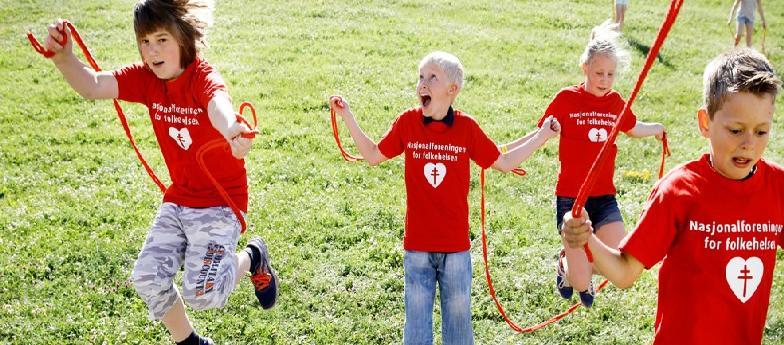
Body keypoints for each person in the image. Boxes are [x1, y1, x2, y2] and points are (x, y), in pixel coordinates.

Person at [39, 1, 278, 344]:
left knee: (204, 294)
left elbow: (218, 106)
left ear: (183, 37)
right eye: (145, 42)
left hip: (221, 202)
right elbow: (93, 85)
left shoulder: (202, 77)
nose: (152, 51)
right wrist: (63, 58)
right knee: (147, 277)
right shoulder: (146, 79)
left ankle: (253, 255)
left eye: (161, 39)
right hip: (180, 200)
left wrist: (232, 130)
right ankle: (190, 342)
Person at [329, 51, 560, 345]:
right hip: (417, 249)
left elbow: (503, 161)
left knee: (459, 329)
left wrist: (542, 135)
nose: (422, 84)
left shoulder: (467, 129)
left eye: (432, 77)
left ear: (453, 90)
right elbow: (373, 155)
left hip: (456, 250)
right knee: (416, 330)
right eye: (420, 77)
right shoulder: (407, 123)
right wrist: (347, 115)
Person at [562, 48, 782, 344]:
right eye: (735, 130)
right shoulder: (679, 191)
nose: (748, 144)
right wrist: (586, 237)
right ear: (706, 122)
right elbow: (625, 272)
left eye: (761, 132)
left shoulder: (777, 187)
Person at [528, 20, 664, 308]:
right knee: (580, 282)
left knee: (620, 260)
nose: (604, 79)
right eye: (599, 73)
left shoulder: (615, 103)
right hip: (572, 200)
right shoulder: (566, 99)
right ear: (585, 68)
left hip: (604, 198)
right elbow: (545, 130)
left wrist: (657, 128)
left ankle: (578, 261)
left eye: (610, 74)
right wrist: (550, 129)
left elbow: (632, 127)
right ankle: (568, 264)